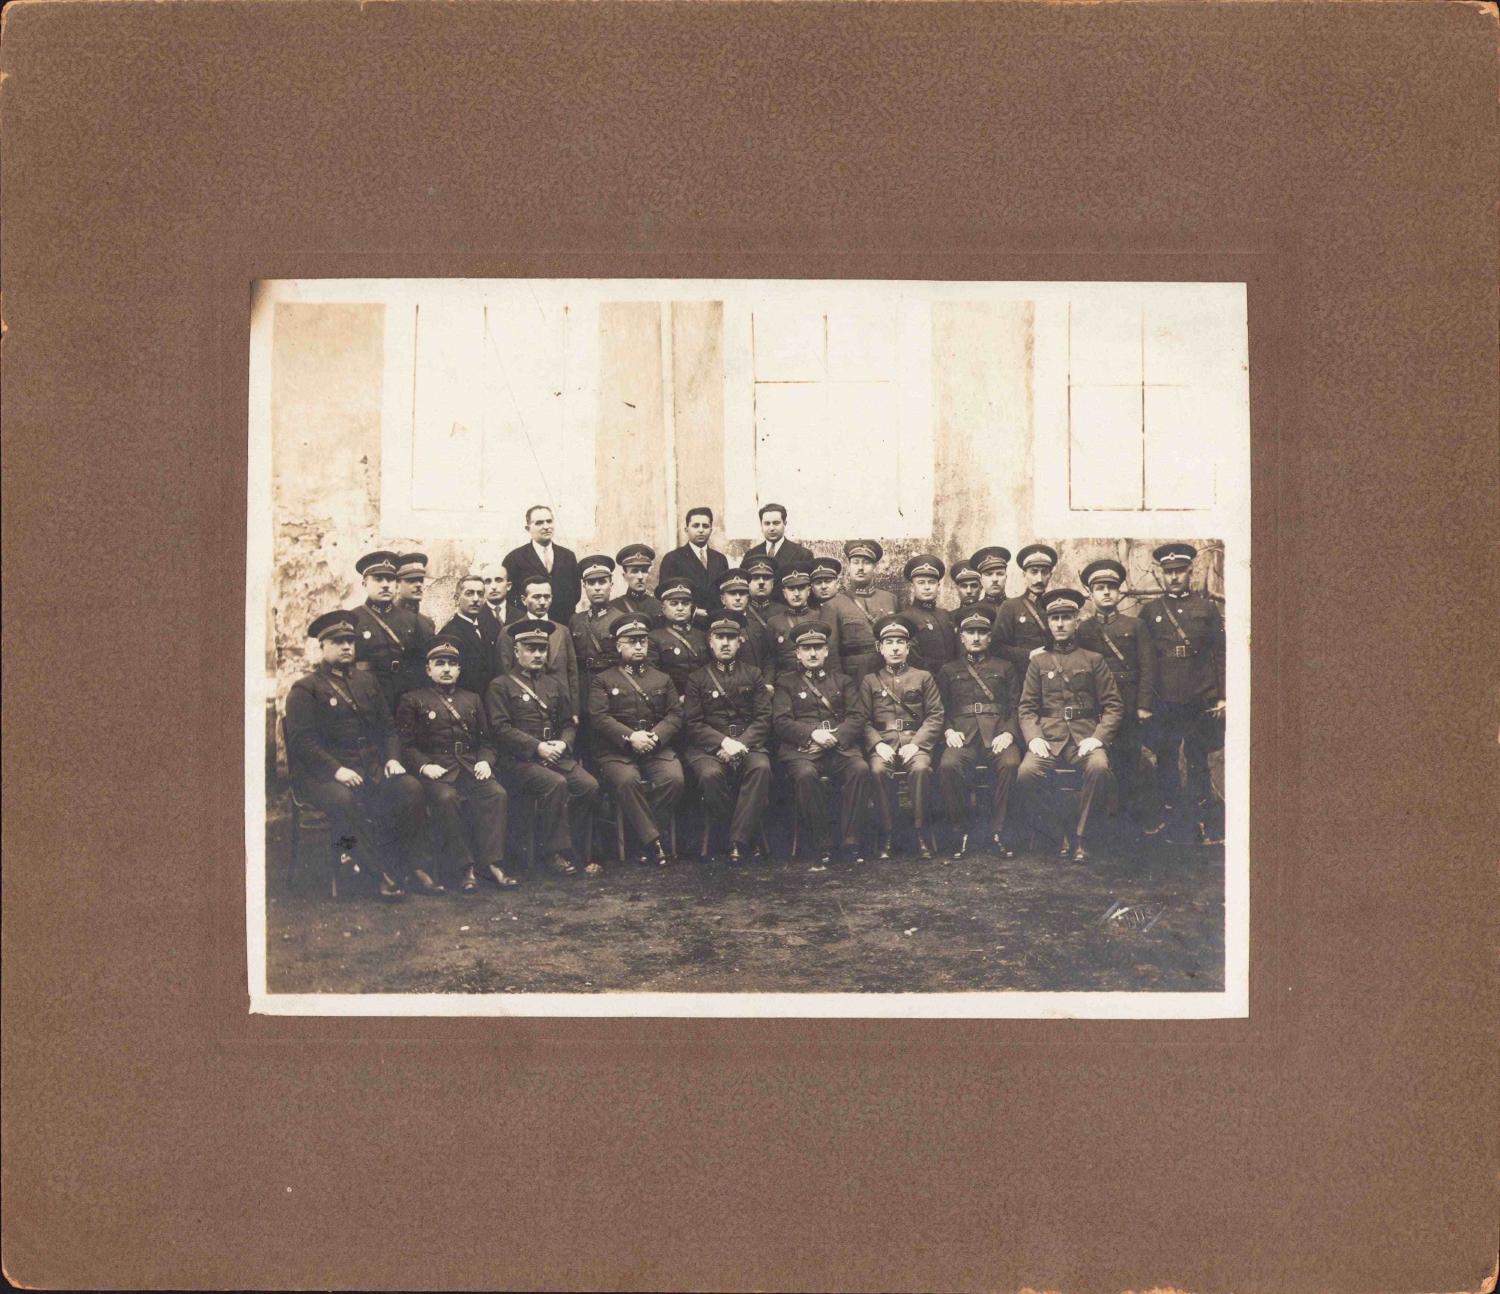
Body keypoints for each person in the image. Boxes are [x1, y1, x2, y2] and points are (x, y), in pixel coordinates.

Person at [283, 611, 428, 901]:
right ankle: (380, 875)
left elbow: (388, 729)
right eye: (338, 642)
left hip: (368, 768)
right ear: (322, 646)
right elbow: (302, 742)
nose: (347, 646)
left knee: (409, 787)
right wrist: (336, 770)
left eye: (350, 641)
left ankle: (413, 867)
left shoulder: (367, 682)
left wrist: (392, 759)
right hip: (321, 775)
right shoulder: (306, 688)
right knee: (343, 799)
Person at [395, 639, 512, 893]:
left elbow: (486, 742)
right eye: (440, 664)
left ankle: (492, 864)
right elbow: (405, 745)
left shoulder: (472, 699)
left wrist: (485, 761)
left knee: (496, 793)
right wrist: (424, 766)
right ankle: (465, 868)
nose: (446, 669)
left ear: (459, 670)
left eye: (452, 664)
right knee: (447, 799)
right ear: (428, 670)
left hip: (469, 768)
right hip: (436, 773)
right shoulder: (413, 700)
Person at [1016, 589, 1124, 863]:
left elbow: (1113, 705)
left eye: (1066, 618)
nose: (1061, 623)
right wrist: (1033, 737)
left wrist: (1098, 737)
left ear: (1077, 621)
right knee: (1026, 774)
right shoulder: (1038, 662)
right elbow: (1026, 707)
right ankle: (1057, 832)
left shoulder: (1093, 659)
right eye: (1055, 618)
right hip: (1048, 738)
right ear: (1049, 623)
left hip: (1083, 737)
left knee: (1099, 768)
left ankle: (1082, 837)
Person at [486, 621, 600, 878]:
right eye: (531, 648)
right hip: (519, 762)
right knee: (555, 783)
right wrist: (537, 747)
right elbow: (500, 729)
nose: (538, 654)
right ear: (516, 651)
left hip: (555, 755)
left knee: (588, 785)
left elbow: (568, 723)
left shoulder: (554, 685)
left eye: (542, 649)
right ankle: (552, 853)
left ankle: (572, 847)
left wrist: (563, 743)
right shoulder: (501, 686)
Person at [1136, 543, 1226, 845]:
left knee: (1197, 757)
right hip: (1164, 698)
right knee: (1166, 757)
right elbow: (1144, 659)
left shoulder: (1206, 609)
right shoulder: (1150, 612)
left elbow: (1220, 654)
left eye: (1179, 571)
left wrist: (1222, 695)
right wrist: (1145, 702)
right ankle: (1171, 818)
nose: (1174, 577)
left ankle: (1204, 821)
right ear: (1162, 574)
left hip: (1200, 695)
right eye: (1168, 572)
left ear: (1190, 572)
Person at [772, 620, 872, 866]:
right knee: (805, 775)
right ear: (798, 653)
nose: (813, 653)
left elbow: (857, 717)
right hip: (803, 750)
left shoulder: (843, 681)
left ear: (826, 651)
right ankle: (822, 844)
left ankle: (851, 842)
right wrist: (813, 734)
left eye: (818, 647)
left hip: (839, 748)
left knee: (860, 769)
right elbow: (781, 721)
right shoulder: (785, 682)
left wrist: (832, 739)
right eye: (806, 648)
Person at [588, 615, 685, 865]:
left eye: (642, 641)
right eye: (631, 642)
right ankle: (654, 842)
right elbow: (599, 717)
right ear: (618, 645)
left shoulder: (662, 679)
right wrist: (631, 737)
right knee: (627, 780)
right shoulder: (603, 679)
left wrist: (656, 736)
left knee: (673, 779)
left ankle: (643, 840)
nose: (639, 646)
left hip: (655, 747)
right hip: (616, 751)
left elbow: (675, 714)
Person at [682, 609, 774, 864]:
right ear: (710, 642)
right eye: (719, 637)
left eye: (731, 637)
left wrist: (740, 744)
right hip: (710, 749)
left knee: (761, 768)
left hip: (747, 745)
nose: (725, 642)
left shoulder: (753, 674)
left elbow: (763, 718)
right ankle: (743, 837)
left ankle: (736, 841)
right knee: (710, 775)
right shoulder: (697, 678)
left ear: (739, 641)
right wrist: (723, 743)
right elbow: (693, 723)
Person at [1076, 558, 1160, 835]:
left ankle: (1128, 824)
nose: (1106, 592)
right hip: (1097, 704)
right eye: (1099, 588)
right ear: (1090, 593)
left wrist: (1144, 704)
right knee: (1100, 762)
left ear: (1119, 591)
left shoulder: (1135, 625)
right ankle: (1101, 824)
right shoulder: (1084, 630)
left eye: (1111, 587)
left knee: (1128, 762)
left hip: (1128, 700)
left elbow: (1147, 666)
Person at [937, 605, 1023, 860]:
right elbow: (938, 708)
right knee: (948, 766)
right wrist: (948, 730)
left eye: (982, 632)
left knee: (1011, 763)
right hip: (962, 736)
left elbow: (1017, 707)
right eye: (970, 632)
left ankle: (999, 831)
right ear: (961, 636)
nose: (976, 637)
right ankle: (962, 831)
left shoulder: (1005, 667)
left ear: (990, 636)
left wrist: (1009, 733)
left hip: (997, 734)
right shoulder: (948, 670)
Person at [860, 614, 945, 859]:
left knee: (920, 769)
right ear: (880, 648)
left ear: (908, 648)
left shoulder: (923, 677)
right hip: (883, 743)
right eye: (889, 643)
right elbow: (861, 719)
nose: (895, 648)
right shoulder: (869, 680)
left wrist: (917, 744)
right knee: (878, 770)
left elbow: (936, 714)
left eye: (900, 642)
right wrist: (877, 744)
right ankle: (887, 833)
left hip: (914, 741)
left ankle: (920, 832)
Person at [349, 549, 432, 710]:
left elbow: (422, 662)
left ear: (396, 583)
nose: (385, 585)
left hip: (405, 697)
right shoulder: (353, 619)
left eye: (390, 579)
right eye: (378, 579)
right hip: (368, 698)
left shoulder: (411, 620)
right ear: (365, 584)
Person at [495, 576, 581, 722]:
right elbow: (505, 672)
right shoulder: (509, 632)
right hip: (525, 708)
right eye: (536, 597)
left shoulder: (563, 631)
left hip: (561, 706)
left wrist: (574, 711)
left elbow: (572, 673)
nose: (542, 602)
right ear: (524, 600)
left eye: (547, 597)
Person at [570, 554, 623, 736]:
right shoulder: (576, 620)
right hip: (582, 688)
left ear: (611, 584)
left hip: (610, 687)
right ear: (584, 586)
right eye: (591, 583)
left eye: (602, 582)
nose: (597, 588)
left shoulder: (620, 619)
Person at [502, 505, 580, 622]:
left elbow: (576, 593)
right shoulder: (514, 558)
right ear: (528, 528)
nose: (546, 527)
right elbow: (509, 596)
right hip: (529, 624)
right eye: (539, 523)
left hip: (563, 623)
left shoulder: (568, 556)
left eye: (549, 521)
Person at [766, 559, 840, 676]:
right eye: (791, 589)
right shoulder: (774, 622)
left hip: (815, 679)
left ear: (809, 590)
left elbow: (830, 654)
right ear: (784, 593)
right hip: (785, 679)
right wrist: (769, 683)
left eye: (801, 588)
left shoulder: (821, 616)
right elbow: (770, 659)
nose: (796, 594)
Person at [658, 506, 729, 626]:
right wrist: (694, 610)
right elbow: (665, 594)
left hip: (716, 622)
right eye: (695, 526)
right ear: (686, 529)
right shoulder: (673, 558)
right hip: (687, 623)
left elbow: (724, 591)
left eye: (705, 526)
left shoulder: (720, 559)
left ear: (711, 530)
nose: (701, 530)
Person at [992, 543, 1056, 672]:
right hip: (1023, 675)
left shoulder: (1055, 606)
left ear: (1050, 575)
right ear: (1024, 574)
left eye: (1044, 572)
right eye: (1034, 572)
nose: (1039, 579)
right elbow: (997, 648)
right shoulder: (1011, 606)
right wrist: (1028, 654)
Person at [647, 576, 711, 699]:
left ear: (691, 607)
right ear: (663, 609)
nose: (680, 608)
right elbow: (653, 677)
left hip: (703, 698)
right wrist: (675, 699)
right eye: (674, 603)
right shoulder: (654, 638)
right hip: (671, 700)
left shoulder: (703, 636)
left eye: (685, 603)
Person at [437, 574, 493, 696]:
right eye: (469, 593)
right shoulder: (449, 633)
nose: (476, 599)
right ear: (457, 599)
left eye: (480, 594)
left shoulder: (485, 629)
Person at [712, 568, 773, 680]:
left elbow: (768, 658)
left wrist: (768, 682)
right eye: (732, 593)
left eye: (742, 593)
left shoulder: (757, 626)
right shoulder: (714, 628)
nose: (738, 598)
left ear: (747, 597)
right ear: (722, 599)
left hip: (759, 685)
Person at [902, 554, 957, 672]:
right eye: (921, 582)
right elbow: (913, 658)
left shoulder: (945, 614)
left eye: (931, 582)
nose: (927, 587)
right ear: (912, 586)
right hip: (926, 679)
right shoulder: (905, 617)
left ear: (938, 585)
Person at [741, 502, 814, 581]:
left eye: (776, 523)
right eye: (767, 524)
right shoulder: (751, 555)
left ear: (785, 523)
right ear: (761, 525)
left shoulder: (802, 554)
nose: (771, 528)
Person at [740, 555, 781, 678]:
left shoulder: (783, 611)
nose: (761, 582)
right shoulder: (740, 612)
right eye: (755, 578)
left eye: (766, 578)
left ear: (772, 583)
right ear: (747, 583)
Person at [610, 543, 664, 626]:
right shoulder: (614, 606)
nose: (640, 577)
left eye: (644, 571)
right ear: (625, 576)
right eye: (634, 571)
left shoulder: (658, 605)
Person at [971, 546, 1012, 611]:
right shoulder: (973, 610)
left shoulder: (1017, 607)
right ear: (981, 580)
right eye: (989, 574)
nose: (995, 579)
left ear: (1006, 577)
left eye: (999, 574)